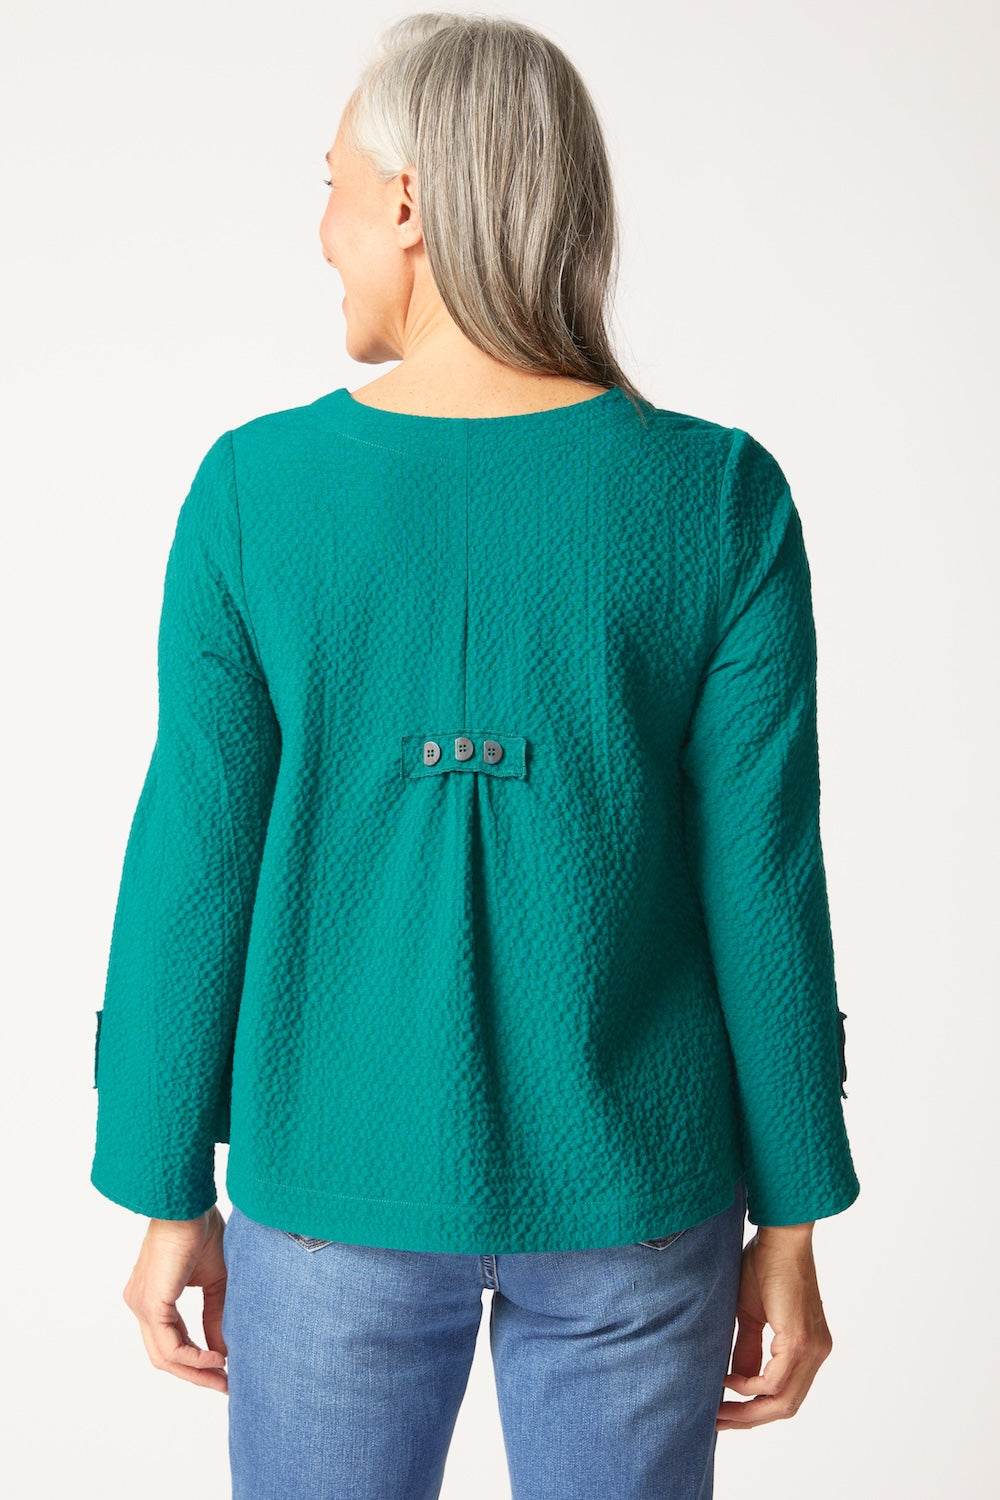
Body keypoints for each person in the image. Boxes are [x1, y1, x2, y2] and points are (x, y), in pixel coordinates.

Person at [90, 12, 860, 1499]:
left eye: (329, 185)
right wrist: (792, 1215)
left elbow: (195, 860)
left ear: (406, 203)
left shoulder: (254, 492)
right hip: (642, 1193)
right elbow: (764, 881)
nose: (321, 232)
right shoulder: (719, 497)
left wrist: (165, 1182)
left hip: (332, 1189)